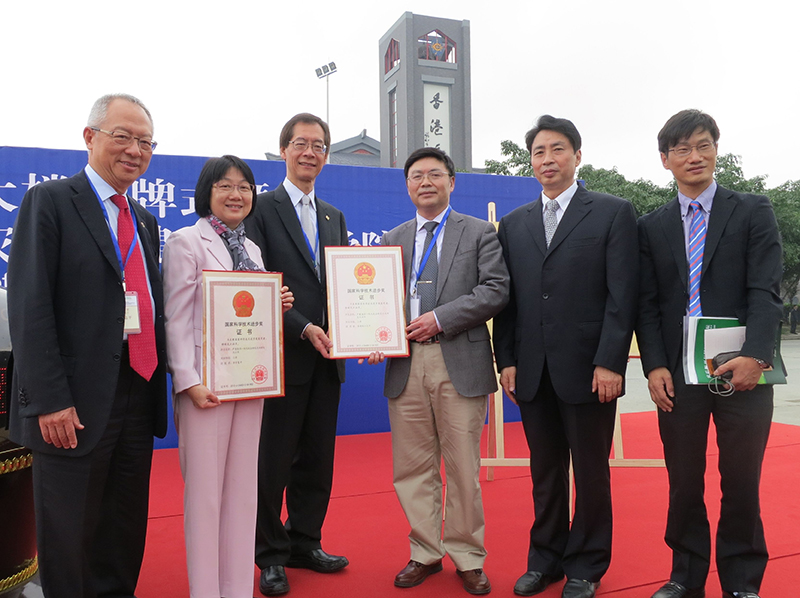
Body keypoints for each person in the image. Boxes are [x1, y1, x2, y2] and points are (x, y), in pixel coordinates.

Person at [7, 93, 167, 598]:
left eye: (145, 141)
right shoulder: (51, 201)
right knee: (68, 532)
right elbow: (30, 308)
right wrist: (49, 399)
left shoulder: (144, 219)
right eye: (122, 136)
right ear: (90, 137)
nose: (134, 150)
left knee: (122, 527)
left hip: (136, 392)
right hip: (70, 404)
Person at [637, 110, 783, 598]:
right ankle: (684, 576)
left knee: (741, 479)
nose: (694, 156)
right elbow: (649, 303)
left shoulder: (752, 210)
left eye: (703, 145)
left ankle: (742, 580)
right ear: (665, 160)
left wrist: (756, 356)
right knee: (684, 480)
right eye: (681, 149)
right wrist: (655, 364)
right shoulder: (651, 226)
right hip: (680, 372)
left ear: (716, 149)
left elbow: (765, 290)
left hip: (741, 368)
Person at [493, 115, 639, 598]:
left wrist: (610, 361)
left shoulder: (612, 212)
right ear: (530, 160)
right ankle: (546, 560)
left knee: (591, 472)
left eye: (557, 149)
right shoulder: (514, 224)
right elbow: (508, 300)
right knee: (545, 472)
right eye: (538, 151)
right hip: (532, 370)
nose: (547, 160)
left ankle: (587, 565)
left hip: (590, 369)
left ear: (578, 155)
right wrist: (507, 359)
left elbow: (623, 295)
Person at [366, 147, 509, 595]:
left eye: (434, 174)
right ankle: (424, 551)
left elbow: (495, 289)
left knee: (462, 466)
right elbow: (374, 300)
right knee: (411, 466)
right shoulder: (393, 237)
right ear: (407, 185)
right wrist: (373, 335)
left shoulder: (480, 232)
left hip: (457, 357)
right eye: (416, 176)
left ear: (452, 182)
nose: (425, 182)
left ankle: (467, 555)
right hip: (404, 362)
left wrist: (440, 317)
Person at [162, 156, 293, 598]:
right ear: (207, 192)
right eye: (225, 186)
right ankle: (206, 590)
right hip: (205, 387)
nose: (236, 195)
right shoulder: (186, 242)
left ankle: (236, 588)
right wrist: (187, 379)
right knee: (205, 496)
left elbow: (249, 315)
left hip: (249, 384)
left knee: (242, 492)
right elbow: (175, 318)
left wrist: (277, 304)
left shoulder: (252, 250)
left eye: (245, 187)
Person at [245, 113, 349, 596]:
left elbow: (345, 287)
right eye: (301, 143)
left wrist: (358, 329)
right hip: (282, 356)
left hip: (328, 359)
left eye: (320, 145)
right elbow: (259, 284)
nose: (310, 152)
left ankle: (306, 539)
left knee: (317, 460)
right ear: (284, 150)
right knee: (274, 460)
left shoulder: (334, 215)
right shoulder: (259, 208)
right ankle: (270, 553)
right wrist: (304, 328)